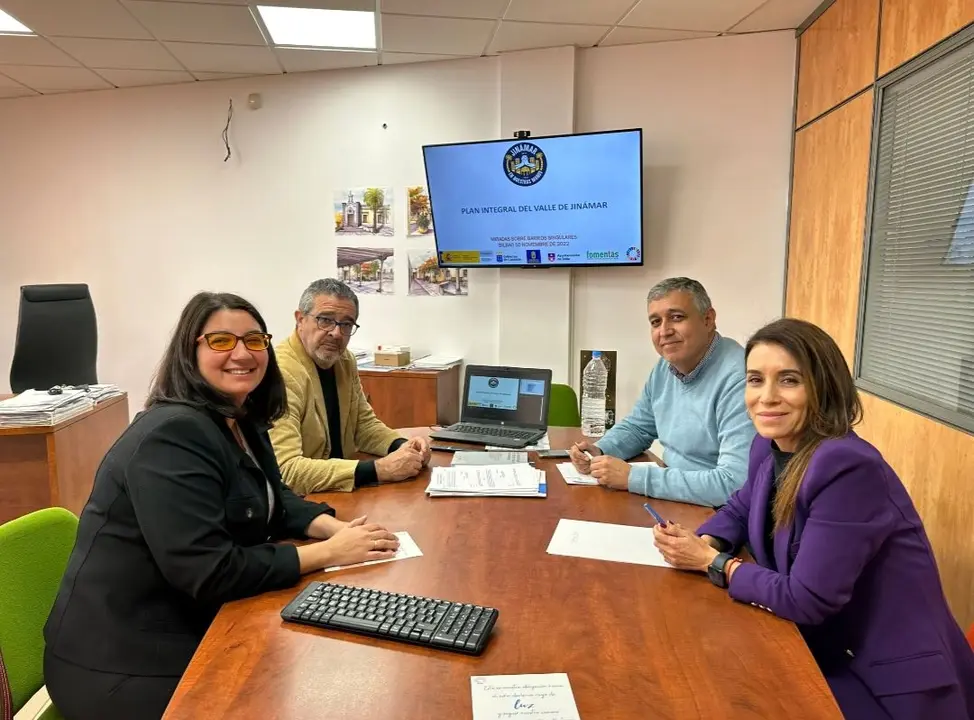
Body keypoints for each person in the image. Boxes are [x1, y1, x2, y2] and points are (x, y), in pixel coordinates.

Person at [43, 292, 401, 720]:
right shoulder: (171, 435)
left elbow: (273, 496)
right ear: (189, 350)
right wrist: (327, 554)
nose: (241, 354)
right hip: (121, 661)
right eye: (220, 342)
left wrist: (333, 528)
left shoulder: (241, 416)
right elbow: (209, 571)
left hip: (194, 624)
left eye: (254, 340)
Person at [653, 318, 974, 719]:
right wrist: (710, 541)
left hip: (884, 683)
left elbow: (806, 598)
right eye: (755, 380)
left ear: (823, 387)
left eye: (788, 380)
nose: (766, 397)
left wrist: (713, 563)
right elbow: (740, 506)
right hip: (821, 647)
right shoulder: (770, 444)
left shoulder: (847, 467)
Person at [568, 277, 754, 507]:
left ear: (708, 319)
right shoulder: (666, 366)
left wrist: (633, 478)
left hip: (718, 514)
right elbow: (638, 428)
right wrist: (600, 450)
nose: (664, 331)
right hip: (675, 496)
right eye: (656, 322)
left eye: (676, 317)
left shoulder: (742, 378)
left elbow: (733, 484)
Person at [270, 278, 430, 494]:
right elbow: (287, 471)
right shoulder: (279, 372)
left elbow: (363, 427)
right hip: (301, 503)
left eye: (346, 324)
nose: (336, 333)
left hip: (341, 491)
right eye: (325, 320)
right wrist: (379, 470)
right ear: (300, 319)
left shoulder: (344, 360)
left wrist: (403, 447)